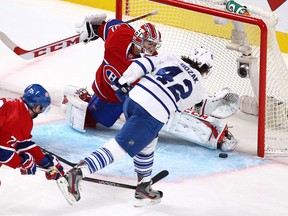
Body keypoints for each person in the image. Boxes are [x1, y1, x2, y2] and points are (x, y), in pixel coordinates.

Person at [58, 48, 238, 207]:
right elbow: (201, 108)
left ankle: (143, 187)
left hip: (133, 99)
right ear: (206, 69)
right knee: (120, 147)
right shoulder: (199, 87)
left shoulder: (171, 57)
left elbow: (142, 63)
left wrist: (123, 82)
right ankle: (77, 173)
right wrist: (218, 99)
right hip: (152, 113)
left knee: (148, 142)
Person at [63, 14, 162, 132]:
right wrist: (95, 28)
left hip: (119, 100)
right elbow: (110, 25)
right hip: (102, 84)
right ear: (139, 39)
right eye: (150, 43)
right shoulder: (119, 36)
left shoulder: (152, 62)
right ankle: (78, 100)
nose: (153, 48)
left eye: (155, 45)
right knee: (87, 120)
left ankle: (84, 101)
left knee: (103, 121)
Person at [0, 84, 65, 182]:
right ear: (37, 107)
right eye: (42, 108)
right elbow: (2, 153)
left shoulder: (19, 110)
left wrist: (46, 162)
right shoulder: (18, 118)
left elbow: (22, 144)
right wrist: (22, 162)